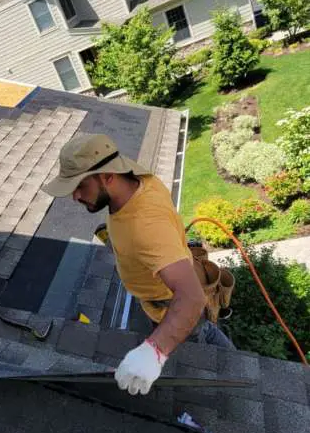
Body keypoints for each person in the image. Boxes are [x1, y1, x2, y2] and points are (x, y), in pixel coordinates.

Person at [45, 132, 233, 397]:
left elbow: (191, 298)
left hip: (173, 308)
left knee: (201, 350)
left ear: (108, 176)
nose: (74, 196)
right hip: (156, 296)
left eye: (79, 186)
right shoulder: (134, 179)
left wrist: (155, 351)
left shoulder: (146, 226)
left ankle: (231, 360)